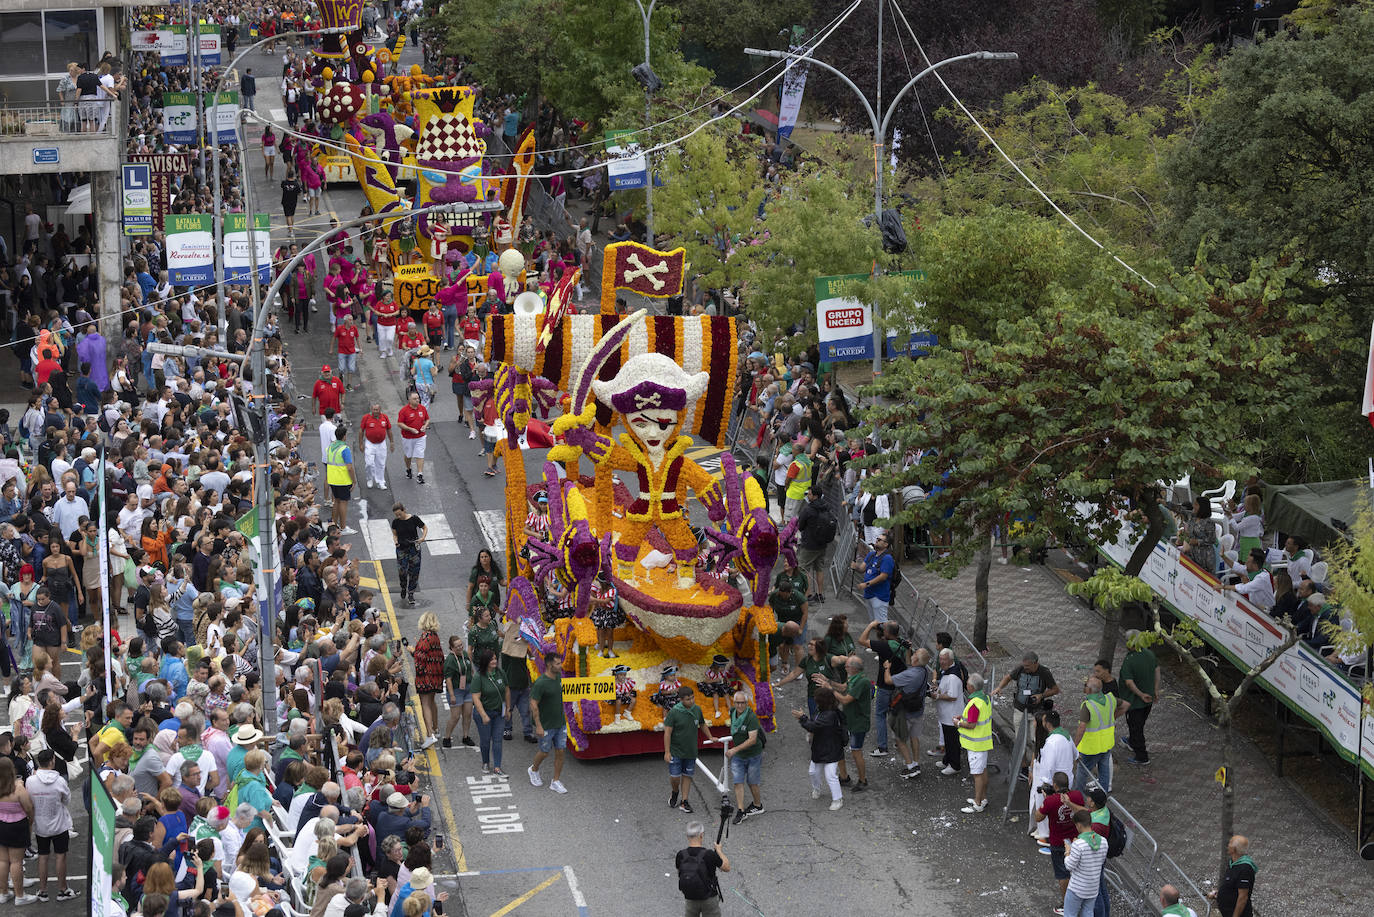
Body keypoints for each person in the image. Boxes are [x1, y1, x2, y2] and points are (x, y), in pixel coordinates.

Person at [994, 651, 1060, 772]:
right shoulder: (1020, 669)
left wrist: (1042, 695)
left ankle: (1036, 765)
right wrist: (999, 687)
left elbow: (1055, 689)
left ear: (1036, 664)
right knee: (1020, 739)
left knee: (1037, 740)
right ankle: (1024, 764)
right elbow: (1008, 677)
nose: (1025, 669)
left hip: (1036, 713)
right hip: (1019, 710)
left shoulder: (1044, 672)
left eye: (1028, 667)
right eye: (1024, 666)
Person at [814, 655, 871, 791]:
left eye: (847, 666)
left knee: (856, 752)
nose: (844, 667)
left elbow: (845, 699)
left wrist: (829, 688)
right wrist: (827, 681)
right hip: (848, 720)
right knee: (839, 747)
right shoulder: (854, 677)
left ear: (853, 668)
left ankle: (863, 780)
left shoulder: (862, 682)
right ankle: (844, 777)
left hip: (858, 722)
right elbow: (844, 687)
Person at [26, 750, 74, 903]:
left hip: (41, 826)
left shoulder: (30, 781)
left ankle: (43, 891)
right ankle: (62, 889)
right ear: (52, 761)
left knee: (43, 857)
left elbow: (29, 801)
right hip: (59, 825)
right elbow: (67, 800)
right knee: (61, 856)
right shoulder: (59, 781)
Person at [1035, 770, 1085, 905]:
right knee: (1077, 871)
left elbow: (1038, 818)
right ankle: (1078, 900)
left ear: (1055, 785)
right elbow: (1083, 811)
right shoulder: (1077, 795)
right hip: (1076, 840)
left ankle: (1066, 904)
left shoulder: (1051, 801)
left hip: (1058, 843)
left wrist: (1045, 801)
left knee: (1063, 874)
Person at [664, 686, 714, 814]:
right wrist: (667, 752)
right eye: (688, 699)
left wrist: (710, 736)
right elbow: (668, 733)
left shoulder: (697, 709)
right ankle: (675, 792)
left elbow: (702, 724)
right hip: (676, 751)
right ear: (681, 700)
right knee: (675, 777)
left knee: (687, 776)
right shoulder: (674, 712)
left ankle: (684, 801)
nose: (691, 701)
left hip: (691, 751)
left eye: (692, 698)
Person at [1074, 676, 1126, 794]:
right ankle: (1103, 793)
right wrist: (1113, 717)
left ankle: (1078, 795)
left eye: (1085, 685)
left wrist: (1074, 746)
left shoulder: (1087, 705)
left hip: (1091, 747)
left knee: (1082, 771)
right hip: (1106, 744)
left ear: (1090, 690)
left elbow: (1082, 727)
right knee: (1104, 770)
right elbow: (1126, 705)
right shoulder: (1110, 699)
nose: (1084, 687)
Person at [527, 652, 568, 794]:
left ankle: (555, 781)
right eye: (557, 663)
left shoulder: (559, 678)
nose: (560, 665)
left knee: (561, 751)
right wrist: (538, 725)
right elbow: (533, 704)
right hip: (546, 725)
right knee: (544, 752)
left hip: (560, 723)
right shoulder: (541, 683)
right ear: (550, 665)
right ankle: (533, 769)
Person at [1119, 629, 1160, 765]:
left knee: (1136, 727)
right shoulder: (1150, 654)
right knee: (1139, 724)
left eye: (1126, 641)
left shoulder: (1129, 660)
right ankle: (1132, 741)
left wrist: (1140, 694)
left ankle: (1142, 756)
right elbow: (1157, 670)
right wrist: (1155, 690)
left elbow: (1129, 682)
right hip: (1148, 701)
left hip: (1134, 702)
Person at [724, 691, 764, 824]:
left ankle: (758, 805)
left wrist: (734, 749)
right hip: (739, 756)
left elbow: (752, 740)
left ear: (747, 704)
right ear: (734, 703)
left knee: (752, 783)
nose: (740, 705)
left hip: (753, 755)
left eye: (743, 703)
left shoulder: (751, 718)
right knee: (738, 781)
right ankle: (741, 811)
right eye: (737, 703)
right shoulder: (732, 712)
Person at [0, 756, 35, 905]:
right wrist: (30, 823)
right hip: (17, 826)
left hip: (1, 824)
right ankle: (20, 895)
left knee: (2, 860)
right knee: (16, 862)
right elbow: (29, 808)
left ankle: (3, 893)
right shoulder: (18, 788)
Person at [675, 821, 729, 917]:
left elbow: (680, 872)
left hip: (690, 897)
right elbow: (726, 867)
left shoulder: (681, 855)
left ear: (687, 836)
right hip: (709, 898)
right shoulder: (709, 854)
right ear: (701, 835)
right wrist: (719, 851)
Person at [955, 672, 991, 813]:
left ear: (971, 687)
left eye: (968, 684)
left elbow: (971, 725)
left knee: (977, 774)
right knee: (982, 771)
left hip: (976, 745)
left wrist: (958, 723)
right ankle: (983, 798)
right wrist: (963, 719)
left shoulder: (975, 703)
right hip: (983, 743)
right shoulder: (985, 698)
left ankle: (977, 803)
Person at [1062, 810, 1107, 917]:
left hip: (1076, 888)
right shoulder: (1104, 841)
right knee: (1088, 913)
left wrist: (1068, 852)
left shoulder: (1078, 845)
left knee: (1070, 914)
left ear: (1079, 825)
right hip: (1092, 888)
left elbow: (1069, 866)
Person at [471, 649, 509, 776]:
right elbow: (476, 698)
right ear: (485, 661)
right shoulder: (478, 677)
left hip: (499, 713)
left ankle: (497, 766)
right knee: (486, 740)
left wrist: (508, 708)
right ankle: (485, 762)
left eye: (495, 658)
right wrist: (483, 715)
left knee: (498, 740)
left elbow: (507, 690)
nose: (495, 661)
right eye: (492, 659)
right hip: (484, 713)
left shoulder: (500, 673)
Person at [794, 486, 835, 602]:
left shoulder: (808, 509)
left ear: (815, 496)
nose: (808, 496)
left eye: (810, 494)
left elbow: (800, 526)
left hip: (809, 544)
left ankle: (807, 594)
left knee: (804, 569)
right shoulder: (826, 507)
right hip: (822, 544)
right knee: (819, 568)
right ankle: (820, 594)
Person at [411, 612, 442, 749]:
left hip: (426, 676)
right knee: (431, 702)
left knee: (425, 704)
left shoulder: (426, 637)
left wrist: (412, 650)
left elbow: (420, 658)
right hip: (436, 675)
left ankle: (430, 735)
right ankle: (435, 728)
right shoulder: (435, 636)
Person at [849, 532, 894, 624]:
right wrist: (856, 566)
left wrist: (866, 584)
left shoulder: (887, 558)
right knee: (873, 623)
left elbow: (883, 576)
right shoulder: (872, 555)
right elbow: (862, 568)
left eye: (879, 540)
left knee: (881, 624)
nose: (876, 541)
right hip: (869, 594)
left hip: (879, 596)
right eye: (877, 539)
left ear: (886, 544)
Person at [1208, 835, 1256, 917]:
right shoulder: (1233, 863)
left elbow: (1242, 897)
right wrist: (1219, 894)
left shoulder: (1244, 869)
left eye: (1230, 843)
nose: (1227, 845)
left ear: (1234, 849)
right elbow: (1232, 887)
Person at [441, 636, 474, 749]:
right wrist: (452, 695)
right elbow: (448, 679)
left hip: (468, 688)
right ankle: (447, 737)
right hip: (456, 690)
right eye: (457, 646)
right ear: (451, 648)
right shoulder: (450, 660)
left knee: (468, 714)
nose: (460, 647)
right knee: (455, 716)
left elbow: (471, 670)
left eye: (461, 644)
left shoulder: (465, 654)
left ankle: (466, 736)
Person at [324, 425, 359, 536]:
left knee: (336, 501)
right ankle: (343, 528)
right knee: (343, 502)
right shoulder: (345, 449)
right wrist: (354, 480)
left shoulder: (330, 446)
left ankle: (334, 525)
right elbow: (349, 467)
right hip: (342, 480)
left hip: (332, 478)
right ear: (344, 436)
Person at [390, 504, 427, 606]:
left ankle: (411, 593)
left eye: (400, 514)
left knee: (414, 571)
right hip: (401, 549)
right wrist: (396, 541)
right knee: (402, 571)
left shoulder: (414, 519)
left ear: (404, 510)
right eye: (396, 515)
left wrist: (422, 538)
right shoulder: (395, 522)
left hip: (413, 548)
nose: (398, 516)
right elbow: (394, 534)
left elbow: (424, 527)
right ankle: (403, 587)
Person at [359, 402, 394, 490]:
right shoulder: (366, 418)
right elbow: (361, 431)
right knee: (369, 463)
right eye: (374, 409)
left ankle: (380, 482)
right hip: (370, 444)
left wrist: (392, 442)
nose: (375, 411)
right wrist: (361, 443)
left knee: (381, 464)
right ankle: (369, 479)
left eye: (377, 410)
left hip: (381, 444)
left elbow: (389, 429)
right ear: (371, 410)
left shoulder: (385, 417)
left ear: (380, 410)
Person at [397, 391, 430, 485]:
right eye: (415, 399)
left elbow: (427, 419)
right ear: (409, 400)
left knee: (420, 454)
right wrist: (410, 429)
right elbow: (399, 423)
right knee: (408, 455)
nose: (417, 400)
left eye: (418, 398)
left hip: (420, 436)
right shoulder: (404, 411)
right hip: (408, 437)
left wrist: (425, 426)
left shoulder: (422, 408)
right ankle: (408, 469)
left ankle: (420, 474)